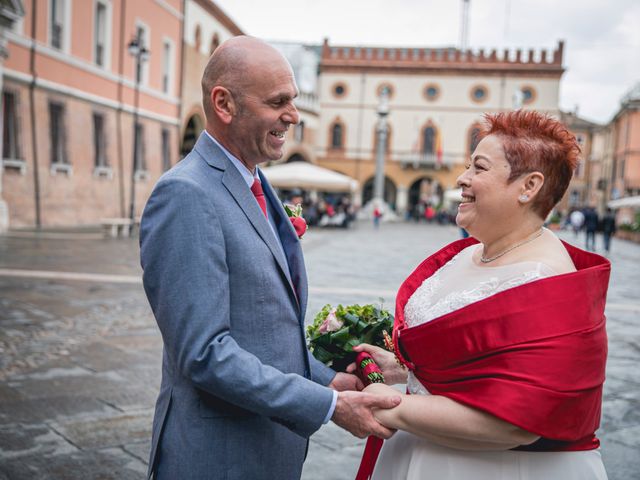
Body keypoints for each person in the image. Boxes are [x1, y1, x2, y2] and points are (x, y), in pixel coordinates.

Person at [139, 36, 400, 480]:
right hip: (217, 457)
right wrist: (331, 405)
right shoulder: (186, 194)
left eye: (293, 101)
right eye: (278, 101)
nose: (294, 116)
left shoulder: (255, 182)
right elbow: (205, 354)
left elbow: (264, 333)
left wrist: (325, 379)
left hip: (266, 450)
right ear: (224, 104)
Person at [351, 110, 609, 480]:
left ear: (528, 187)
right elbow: (474, 363)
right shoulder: (471, 251)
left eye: (479, 168)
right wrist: (401, 367)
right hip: (423, 452)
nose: (462, 178)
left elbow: (516, 424)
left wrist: (387, 407)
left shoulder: (548, 281)